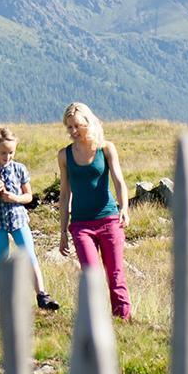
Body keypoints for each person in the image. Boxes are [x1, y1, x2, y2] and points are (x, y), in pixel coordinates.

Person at [0, 128, 61, 311]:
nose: (7, 156)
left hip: (19, 220)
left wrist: (14, 198)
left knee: (30, 255)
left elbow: (29, 196)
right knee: (4, 260)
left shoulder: (19, 169)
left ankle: (42, 295)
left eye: (11, 152)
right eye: (3, 152)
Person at [56, 102, 133, 320]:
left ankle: (122, 320)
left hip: (109, 220)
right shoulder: (64, 155)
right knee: (91, 275)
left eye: (76, 126)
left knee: (116, 273)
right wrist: (63, 232)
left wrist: (124, 208)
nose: (72, 131)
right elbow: (64, 195)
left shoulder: (106, 148)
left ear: (88, 123)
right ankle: (97, 321)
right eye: (68, 127)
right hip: (80, 225)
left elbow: (119, 181)